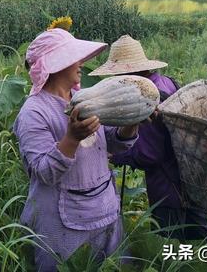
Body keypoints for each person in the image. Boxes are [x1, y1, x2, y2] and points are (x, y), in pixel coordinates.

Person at [13, 28, 140, 271]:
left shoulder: (83, 98)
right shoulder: (33, 113)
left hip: (105, 211)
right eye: (74, 57)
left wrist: (132, 122)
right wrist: (71, 138)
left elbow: (106, 144)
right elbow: (44, 172)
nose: (81, 62)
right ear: (56, 64)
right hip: (63, 224)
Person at [89, 35, 207, 245]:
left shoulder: (144, 97)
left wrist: (118, 154)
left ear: (127, 73)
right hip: (190, 177)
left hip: (167, 187)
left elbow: (150, 154)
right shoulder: (166, 82)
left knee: (170, 245)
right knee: (200, 235)